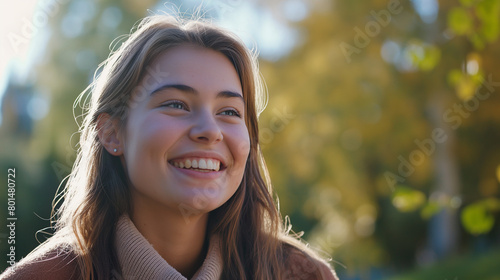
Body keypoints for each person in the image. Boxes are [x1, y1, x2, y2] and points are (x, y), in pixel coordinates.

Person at [1, 14, 338, 280]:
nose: (210, 131)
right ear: (111, 133)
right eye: (176, 104)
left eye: (229, 112)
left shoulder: (303, 275)